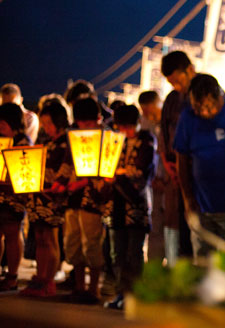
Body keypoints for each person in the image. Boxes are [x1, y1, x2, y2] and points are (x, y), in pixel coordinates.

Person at [173, 74, 225, 262]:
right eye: (198, 108)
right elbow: (181, 159)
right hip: (202, 209)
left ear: (220, 96)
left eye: (208, 107)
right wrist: (187, 198)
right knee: (203, 267)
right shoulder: (187, 118)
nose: (204, 113)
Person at [104, 105, 156, 310]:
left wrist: (119, 171)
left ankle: (135, 295)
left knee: (134, 252)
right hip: (115, 204)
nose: (125, 131)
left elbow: (142, 170)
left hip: (136, 204)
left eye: (128, 127)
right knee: (117, 252)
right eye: (121, 127)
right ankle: (120, 292)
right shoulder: (114, 141)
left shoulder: (147, 140)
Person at [20, 101, 72, 297]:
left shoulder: (66, 141)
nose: (45, 127)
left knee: (50, 237)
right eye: (43, 123)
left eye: (49, 123)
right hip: (39, 193)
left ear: (59, 122)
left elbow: (67, 168)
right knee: (40, 236)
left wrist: (58, 184)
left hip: (53, 195)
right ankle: (40, 277)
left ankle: (48, 280)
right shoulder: (48, 141)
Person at [64, 97, 110, 304]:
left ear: (99, 119)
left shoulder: (107, 139)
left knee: (92, 243)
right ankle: (79, 286)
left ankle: (94, 289)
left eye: (89, 123)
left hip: (93, 199)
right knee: (73, 241)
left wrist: (82, 183)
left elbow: (103, 171)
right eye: (81, 123)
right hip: (73, 198)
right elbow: (67, 164)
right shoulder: (73, 136)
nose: (85, 127)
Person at [160, 51, 197, 259]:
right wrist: (169, 165)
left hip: (201, 172)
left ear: (189, 69)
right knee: (183, 225)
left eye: (177, 80)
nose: (176, 86)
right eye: (171, 82)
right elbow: (164, 136)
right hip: (177, 174)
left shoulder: (207, 91)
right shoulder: (172, 100)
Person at [0, 103, 32, 291]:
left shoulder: (22, 141)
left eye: (4, 123)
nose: (1, 126)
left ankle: (12, 276)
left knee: (12, 233)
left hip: (13, 196)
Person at [138, 91, 172, 265]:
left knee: (172, 228)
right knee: (155, 229)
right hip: (154, 183)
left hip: (172, 183)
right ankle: (154, 270)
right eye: (144, 112)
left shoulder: (172, 120)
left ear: (160, 104)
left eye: (150, 111)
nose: (148, 116)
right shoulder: (145, 124)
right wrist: (152, 178)